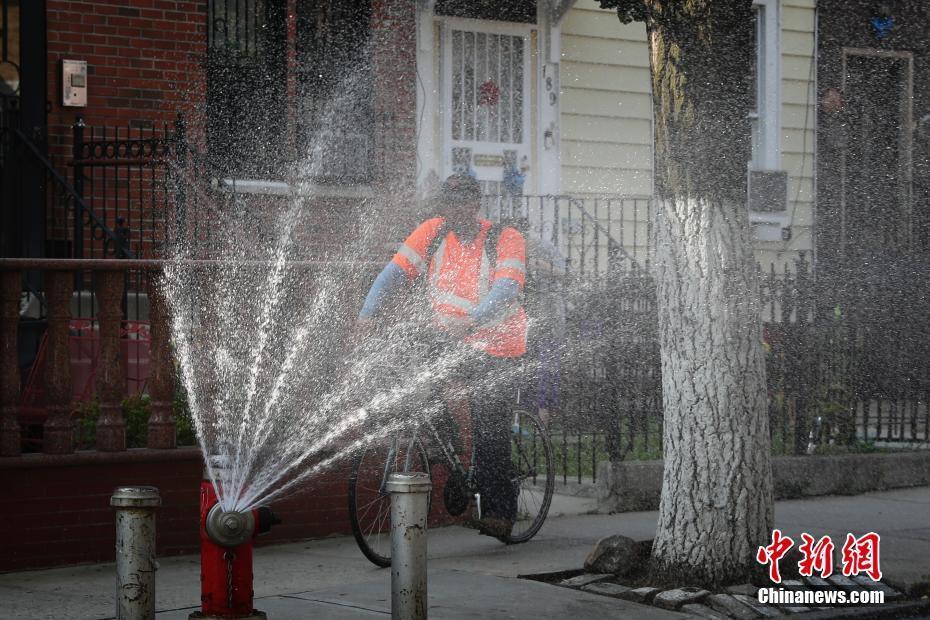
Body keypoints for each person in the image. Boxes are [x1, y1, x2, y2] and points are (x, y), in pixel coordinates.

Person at [357, 173, 528, 538]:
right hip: (450, 337)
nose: (453, 211)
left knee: (488, 423)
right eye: (447, 204)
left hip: (498, 344)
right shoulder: (433, 232)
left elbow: (507, 288)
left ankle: (499, 511)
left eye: (461, 203)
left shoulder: (505, 238)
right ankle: (449, 453)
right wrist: (367, 316)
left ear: (474, 204)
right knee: (419, 383)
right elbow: (392, 274)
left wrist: (472, 321)